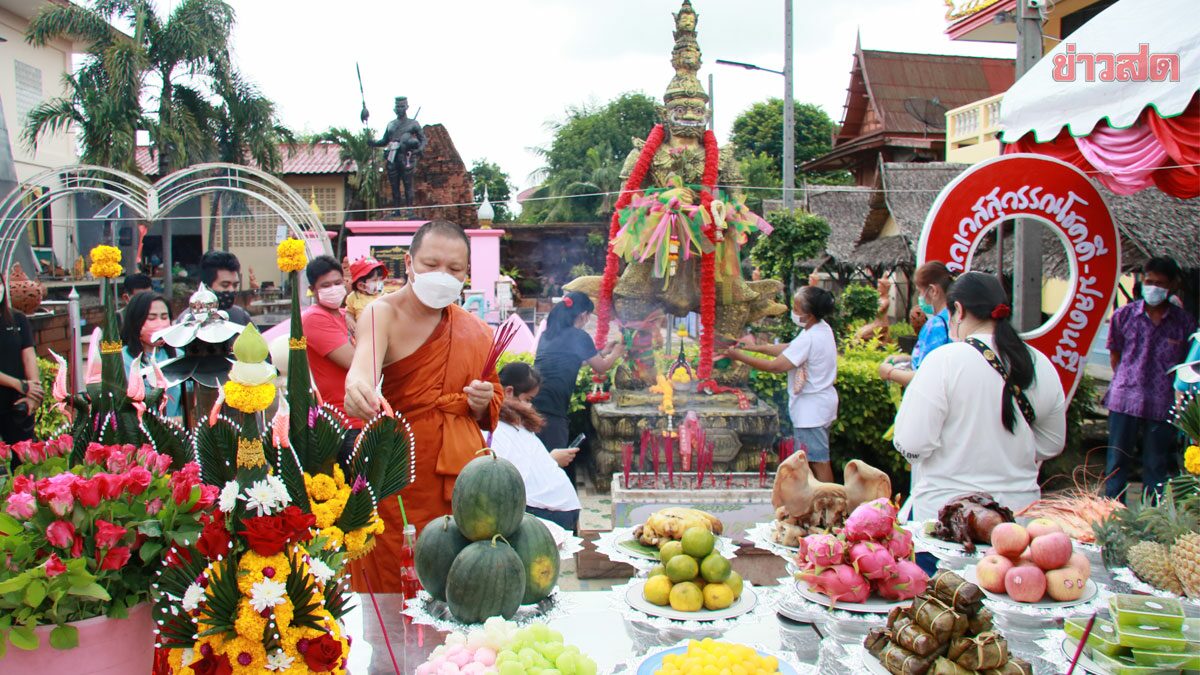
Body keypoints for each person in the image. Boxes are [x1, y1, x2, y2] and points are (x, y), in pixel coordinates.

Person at [344, 221, 502, 592]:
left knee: (461, 584)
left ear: (467, 273)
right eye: (431, 265)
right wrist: (358, 389)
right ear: (408, 262)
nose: (442, 275)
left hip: (465, 478)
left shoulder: (478, 330)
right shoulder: (381, 314)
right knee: (397, 575)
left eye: (454, 269)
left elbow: (493, 398)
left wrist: (482, 402)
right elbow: (362, 369)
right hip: (401, 470)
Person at [893, 272, 1067, 521]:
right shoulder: (1041, 364)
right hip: (1019, 519)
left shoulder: (944, 361)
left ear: (958, 310)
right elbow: (1052, 443)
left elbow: (911, 444)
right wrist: (1007, 452)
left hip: (948, 519)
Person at [726, 286, 839, 482]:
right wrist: (755, 348)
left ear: (809, 314)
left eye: (796, 309)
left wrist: (740, 356)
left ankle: (831, 506)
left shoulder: (811, 337)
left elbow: (775, 366)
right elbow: (789, 348)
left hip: (811, 411)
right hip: (819, 405)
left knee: (819, 462)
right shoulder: (820, 328)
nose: (792, 312)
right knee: (810, 461)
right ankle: (817, 504)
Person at [1103, 257, 1194, 498]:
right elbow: (1115, 355)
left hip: (1162, 404)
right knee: (1116, 464)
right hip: (1125, 399)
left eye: (1160, 283)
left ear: (1172, 285)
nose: (1153, 287)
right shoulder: (1124, 315)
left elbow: (1187, 363)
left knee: (1157, 466)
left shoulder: (1183, 323)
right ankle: (1112, 513)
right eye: (1149, 281)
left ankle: (1152, 521)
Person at [531, 291, 625, 483]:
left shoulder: (548, 335)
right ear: (583, 315)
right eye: (589, 316)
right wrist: (617, 352)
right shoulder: (579, 336)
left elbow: (568, 361)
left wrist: (601, 351)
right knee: (556, 465)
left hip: (531, 402)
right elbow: (601, 367)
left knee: (540, 459)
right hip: (552, 408)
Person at [491, 362, 582, 532]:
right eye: (528, 400)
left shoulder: (512, 423)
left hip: (551, 512)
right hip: (553, 510)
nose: (530, 407)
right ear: (509, 392)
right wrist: (552, 459)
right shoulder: (495, 428)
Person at [301, 255, 359, 428]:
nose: (334, 289)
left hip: (365, 414)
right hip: (343, 420)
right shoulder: (314, 318)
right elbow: (353, 361)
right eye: (325, 285)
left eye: (338, 283)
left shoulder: (345, 315)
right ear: (313, 289)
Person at [880, 261, 954, 387]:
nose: (920, 297)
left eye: (920, 292)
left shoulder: (936, 325)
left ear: (933, 291)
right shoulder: (955, 318)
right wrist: (908, 359)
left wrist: (889, 372)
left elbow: (924, 377)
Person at [120, 292, 183, 419]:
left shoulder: (179, 356)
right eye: (151, 318)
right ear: (135, 321)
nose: (160, 323)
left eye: (164, 317)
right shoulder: (122, 359)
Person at [0, 273, 42, 445]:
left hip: (17, 405)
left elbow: (29, 357)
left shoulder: (18, 319)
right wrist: (20, 384)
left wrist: (33, 394)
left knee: (23, 463)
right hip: (15, 390)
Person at [197, 251, 250, 326]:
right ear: (206, 287)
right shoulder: (189, 321)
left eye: (235, 285)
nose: (231, 290)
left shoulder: (241, 316)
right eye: (225, 285)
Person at [345, 257, 389, 336]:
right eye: (375, 280)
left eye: (380, 279)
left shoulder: (384, 296)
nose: (379, 282)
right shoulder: (353, 297)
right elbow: (349, 312)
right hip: (362, 335)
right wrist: (349, 319)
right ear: (361, 285)